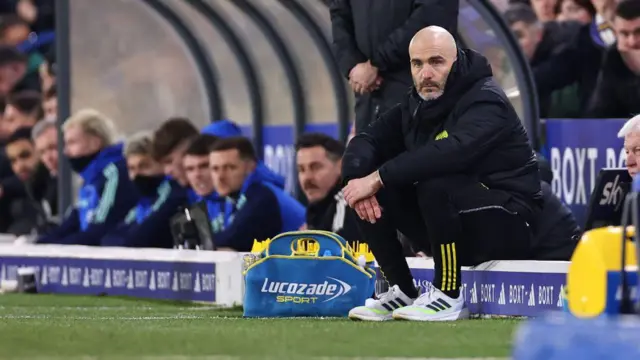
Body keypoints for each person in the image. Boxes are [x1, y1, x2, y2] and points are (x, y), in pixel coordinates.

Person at [341, 26, 542, 321]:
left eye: (436, 62)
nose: (426, 74)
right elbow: (368, 139)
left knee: (433, 181)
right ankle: (401, 289)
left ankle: (448, 295)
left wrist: (376, 177)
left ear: (456, 62)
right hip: (454, 224)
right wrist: (355, 181)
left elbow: (451, 152)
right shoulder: (415, 103)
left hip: (511, 219)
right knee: (371, 189)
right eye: (417, 64)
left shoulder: (486, 100)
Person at [330, 0, 458, 132]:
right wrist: (353, 65)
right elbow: (339, 16)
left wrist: (377, 63)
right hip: (368, 98)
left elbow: (430, 20)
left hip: (418, 92)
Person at [37, 109, 138, 245]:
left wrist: (59, 246)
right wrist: (39, 245)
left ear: (95, 142)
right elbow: (74, 221)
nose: (66, 151)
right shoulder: (90, 177)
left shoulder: (114, 172)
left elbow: (100, 226)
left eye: (72, 143)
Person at [208, 137, 305, 251]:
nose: (220, 177)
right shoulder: (233, 196)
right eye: (215, 169)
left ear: (250, 167)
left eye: (230, 168)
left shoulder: (262, 196)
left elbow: (234, 238)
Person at [101, 132, 187, 248]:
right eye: (132, 168)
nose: (137, 175)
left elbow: (138, 239)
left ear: (161, 164)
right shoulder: (143, 201)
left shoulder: (173, 194)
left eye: (144, 166)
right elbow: (108, 239)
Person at [295, 133, 360, 241]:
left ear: (341, 166)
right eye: (301, 169)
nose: (307, 177)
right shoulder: (317, 207)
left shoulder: (348, 203)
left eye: (315, 167)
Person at [588, 0, 640, 118]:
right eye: (624, 34)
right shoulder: (613, 56)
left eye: (639, 32)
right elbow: (598, 113)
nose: (632, 42)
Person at [4, 126, 56, 235]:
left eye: (25, 155)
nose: (19, 166)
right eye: (13, 161)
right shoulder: (29, 188)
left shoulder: (57, 184)